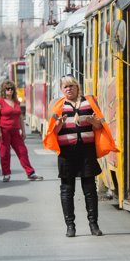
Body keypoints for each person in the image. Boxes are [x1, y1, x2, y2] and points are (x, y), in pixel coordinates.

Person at [43, 75, 118, 237]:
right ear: (62, 90)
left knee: (90, 190)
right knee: (67, 190)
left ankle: (94, 225)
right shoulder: (57, 105)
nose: (69, 89)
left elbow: (100, 125)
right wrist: (59, 125)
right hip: (66, 153)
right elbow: (52, 132)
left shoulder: (89, 102)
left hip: (86, 151)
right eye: (65, 87)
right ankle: (70, 226)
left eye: (71, 86)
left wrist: (93, 121)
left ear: (77, 87)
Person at [0, 79, 42, 182]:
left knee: (22, 151)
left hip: (15, 131)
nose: (10, 90)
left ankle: (30, 173)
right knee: (5, 153)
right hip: (3, 130)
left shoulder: (16, 102)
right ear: (3, 90)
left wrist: (23, 131)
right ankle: (6, 173)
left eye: (12, 89)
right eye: (7, 89)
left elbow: (20, 118)